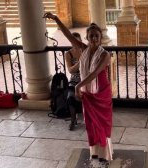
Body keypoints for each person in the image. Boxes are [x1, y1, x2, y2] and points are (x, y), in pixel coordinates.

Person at [44, 12, 113, 167]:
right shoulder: (84, 50)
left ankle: (105, 156)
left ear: (100, 38)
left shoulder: (105, 55)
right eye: (91, 36)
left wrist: (77, 86)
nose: (94, 39)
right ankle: (95, 154)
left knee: (102, 124)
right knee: (90, 124)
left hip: (101, 94)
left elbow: (94, 73)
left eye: (97, 36)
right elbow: (68, 35)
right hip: (88, 93)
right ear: (87, 39)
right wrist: (56, 19)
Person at [65, 32, 82, 131]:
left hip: (86, 80)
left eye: (77, 41)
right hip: (74, 80)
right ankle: (73, 119)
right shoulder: (68, 53)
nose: (75, 43)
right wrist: (80, 62)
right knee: (70, 97)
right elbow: (71, 70)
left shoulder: (85, 50)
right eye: (73, 41)